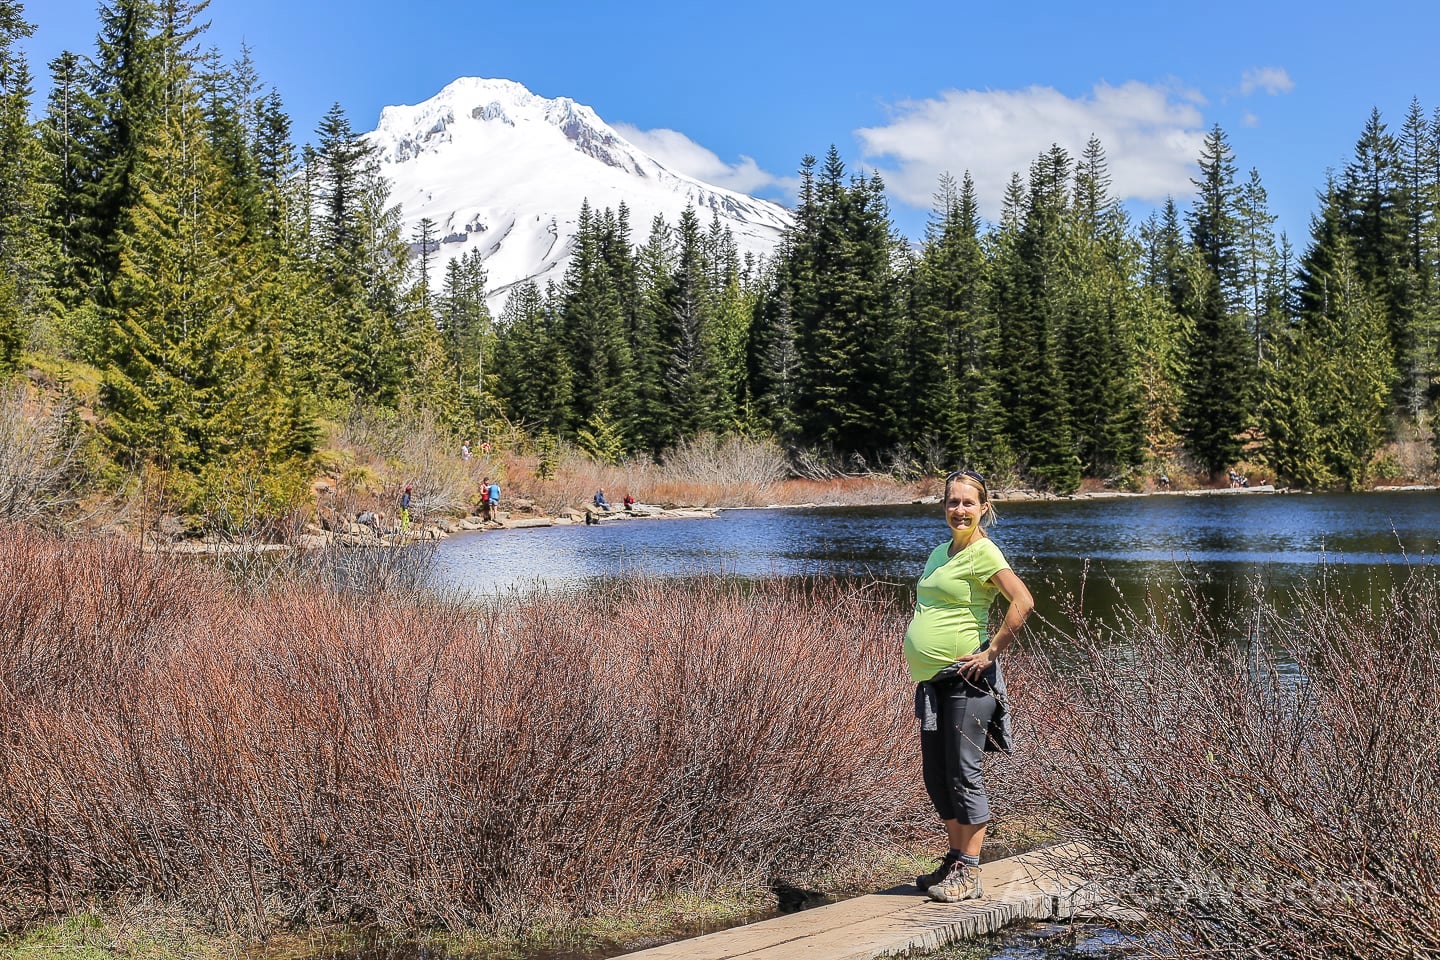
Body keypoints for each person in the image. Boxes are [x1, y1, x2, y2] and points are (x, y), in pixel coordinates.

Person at [906, 469, 1034, 903]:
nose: (959, 510)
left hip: (967, 682)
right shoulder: (940, 553)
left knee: (964, 773)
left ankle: (970, 870)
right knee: (938, 776)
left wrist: (991, 651)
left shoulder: (984, 552)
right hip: (932, 682)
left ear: (984, 508)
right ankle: (955, 856)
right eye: (952, 502)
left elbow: (1023, 600)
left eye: (967, 503)